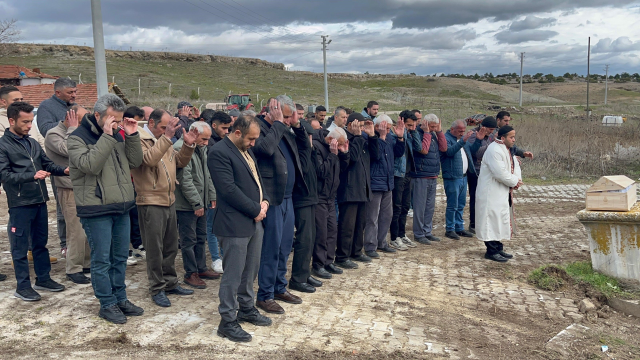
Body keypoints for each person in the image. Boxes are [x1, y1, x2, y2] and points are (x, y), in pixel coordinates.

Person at [67, 94, 144, 324]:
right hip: (96, 207)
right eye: (113, 119)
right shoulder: (77, 137)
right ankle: (107, 303)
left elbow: (135, 161)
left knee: (120, 257)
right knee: (102, 260)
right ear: (97, 115)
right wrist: (108, 136)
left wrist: (131, 136)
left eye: (120, 119)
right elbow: (90, 165)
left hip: (121, 205)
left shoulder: (119, 133)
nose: (117, 123)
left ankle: (120, 298)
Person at [209, 115, 272, 342]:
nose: (254, 143)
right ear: (237, 133)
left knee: (250, 271)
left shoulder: (245, 149)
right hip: (234, 223)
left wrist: (264, 201)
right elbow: (228, 190)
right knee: (233, 275)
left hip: (254, 220)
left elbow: (256, 178)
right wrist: (255, 208)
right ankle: (227, 320)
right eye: (251, 139)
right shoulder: (219, 152)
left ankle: (246, 308)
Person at [130, 108, 199, 307]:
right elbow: (148, 160)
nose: (166, 130)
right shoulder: (140, 139)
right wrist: (167, 137)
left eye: (168, 127)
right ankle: (157, 288)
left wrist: (187, 145)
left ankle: (170, 283)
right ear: (150, 123)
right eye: (163, 127)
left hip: (168, 199)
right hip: (150, 200)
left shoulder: (164, 140)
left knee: (170, 246)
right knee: (154, 249)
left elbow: (178, 163)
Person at [0, 102, 69, 301]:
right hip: (20, 203)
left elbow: (46, 164)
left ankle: (43, 278)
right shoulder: (3, 145)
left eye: (31, 121)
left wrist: (63, 169)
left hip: (40, 200)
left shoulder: (32, 143)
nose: (30, 125)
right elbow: (4, 175)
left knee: (41, 243)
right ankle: (22, 286)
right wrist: (31, 176)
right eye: (25, 121)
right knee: (19, 247)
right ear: (12, 121)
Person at [253, 96, 308, 315]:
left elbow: (304, 147)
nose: (287, 120)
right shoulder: (259, 127)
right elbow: (265, 150)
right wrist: (277, 124)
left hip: (288, 198)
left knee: (285, 246)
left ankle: (278, 287)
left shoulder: (284, 128)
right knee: (271, 248)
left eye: (289, 116)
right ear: (272, 110)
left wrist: (296, 124)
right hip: (272, 198)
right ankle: (265, 295)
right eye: (285, 116)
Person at [44, 106, 93, 284]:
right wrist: (73, 128)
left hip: (85, 185)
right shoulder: (53, 134)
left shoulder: (80, 131)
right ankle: (73, 268)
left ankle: (86, 263)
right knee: (75, 230)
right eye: (81, 119)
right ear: (70, 117)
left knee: (87, 228)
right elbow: (69, 149)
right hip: (68, 187)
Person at [174, 121, 220, 289]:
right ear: (194, 133)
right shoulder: (181, 148)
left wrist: (211, 195)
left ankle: (201, 268)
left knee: (201, 237)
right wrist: (196, 202)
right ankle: (190, 272)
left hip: (201, 201)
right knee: (189, 240)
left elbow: (207, 174)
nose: (207, 143)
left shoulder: (200, 149)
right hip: (186, 205)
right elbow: (185, 180)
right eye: (205, 139)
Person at [37, 78, 77, 258]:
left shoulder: (75, 105)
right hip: (59, 164)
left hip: (77, 164)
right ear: (58, 92)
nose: (74, 95)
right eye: (70, 92)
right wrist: (68, 124)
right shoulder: (46, 106)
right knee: (63, 207)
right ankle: (64, 243)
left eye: (75, 92)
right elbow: (45, 129)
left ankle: (78, 242)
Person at [335, 113, 379, 269]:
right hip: (349, 190)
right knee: (347, 226)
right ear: (350, 125)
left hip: (363, 188)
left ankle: (356, 251)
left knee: (360, 224)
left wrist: (372, 136)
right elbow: (351, 158)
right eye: (359, 126)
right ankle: (342, 256)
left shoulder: (362, 139)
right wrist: (357, 136)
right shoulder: (345, 138)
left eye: (362, 126)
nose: (361, 129)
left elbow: (376, 156)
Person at [475, 126, 522, 263]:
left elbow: (515, 165)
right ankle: (491, 251)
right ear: (502, 138)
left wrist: (517, 180)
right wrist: (514, 181)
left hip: (501, 192)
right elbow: (500, 173)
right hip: (491, 193)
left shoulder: (507, 150)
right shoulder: (494, 150)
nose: (514, 140)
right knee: (490, 221)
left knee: (499, 220)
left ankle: (498, 247)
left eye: (514, 137)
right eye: (511, 137)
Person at [364, 114, 405, 258]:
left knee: (387, 216)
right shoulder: (370, 137)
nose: (387, 131)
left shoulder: (388, 138)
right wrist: (380, 137)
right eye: (385, 129)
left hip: (388, 183)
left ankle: (382, 242)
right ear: (377, 126)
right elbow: (375, 155)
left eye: (388, 129)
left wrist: (400, 138)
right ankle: (370, 246)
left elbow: (399, 153)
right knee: (372, 217)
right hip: (375, 183)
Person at [312, 127, 349, 279]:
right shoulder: (317, 147)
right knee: (321, 232)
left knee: (332, 230)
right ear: (330, 140)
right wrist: (333, 156)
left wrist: (344, 154)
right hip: (320, 196)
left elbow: (342, 169)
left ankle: (328, 261)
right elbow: (321, 171)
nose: (339, 148)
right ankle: (318, 264)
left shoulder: (336, 150)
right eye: (339, 144)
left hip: (331, 197)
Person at [289, 128, 321, 293]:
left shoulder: (309, 152)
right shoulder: (299, 152)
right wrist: (307, 151)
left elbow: (316, 170)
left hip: (311, 198)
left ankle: (305, 273)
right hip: (301, 198)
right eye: (309, 137)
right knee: (304, 239)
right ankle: (297, 278)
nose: (311, 140)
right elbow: (306, 170)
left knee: (310, 238)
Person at [409, 114, 447, 245]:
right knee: (420, 207)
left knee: (430, 206)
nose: (433, 129)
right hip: (420, 175)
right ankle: (419, 233)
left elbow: (444, 148)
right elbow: (423, 150)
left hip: (433, 174)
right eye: (432, 126)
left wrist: (440, 132)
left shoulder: (433, 134)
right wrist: (426, 132)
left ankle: (427, 231)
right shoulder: (418, 134)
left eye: (435, 127)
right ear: (425, 124)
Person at [204, 110, 232, 274]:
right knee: (212, 226)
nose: (226, 131)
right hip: (212, 191)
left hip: (222, 191)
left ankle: (223, 256)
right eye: (224, 128)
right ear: (214, 126)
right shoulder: (209, 144)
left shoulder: (221, 142)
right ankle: (216, 258)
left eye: (228, 128)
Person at [440, 119, 478, 240]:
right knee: (452, 205)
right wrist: (463, 141)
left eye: (463, 131)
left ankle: (459, 227)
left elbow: (471, 151)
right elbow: (449, 152)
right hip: (452, 177)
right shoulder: (446, 138)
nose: (462, 133)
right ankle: (450, 229)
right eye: (460, 131)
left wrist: (479, 140)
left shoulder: (463, 140)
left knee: (461, 204)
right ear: (452, 129)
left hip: (463, 177)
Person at [389, 110, 418, 250]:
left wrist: (414, 132)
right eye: (409, 125)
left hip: (408, 174)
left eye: (413, 125)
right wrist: (401, 136)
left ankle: (402, 234)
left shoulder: (410, 134)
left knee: (405, 206)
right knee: (397, 207)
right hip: (397, 175)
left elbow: (418, 148)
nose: (411, 128)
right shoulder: (393, 134)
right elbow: (397, 153)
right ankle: (394, 237)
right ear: (401, 121)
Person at [122, 106, 147, 266]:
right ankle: (126, 250)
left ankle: (137, 244)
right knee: (127, 216)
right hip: (126, 180)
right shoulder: (123, 135)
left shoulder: (135, 134)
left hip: (134, 180)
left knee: (135, 215)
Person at [467, 116, 497, 234]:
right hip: (475, 171)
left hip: (485, 172)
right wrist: (491, 145)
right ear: (483, 127)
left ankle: (483, 221)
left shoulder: (490, 136)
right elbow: (477, 153)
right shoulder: (474, 134)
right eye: (490, 129)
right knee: (475, 198)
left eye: (493, 129)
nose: (491, 132)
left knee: (485, 199)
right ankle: (474, 223)